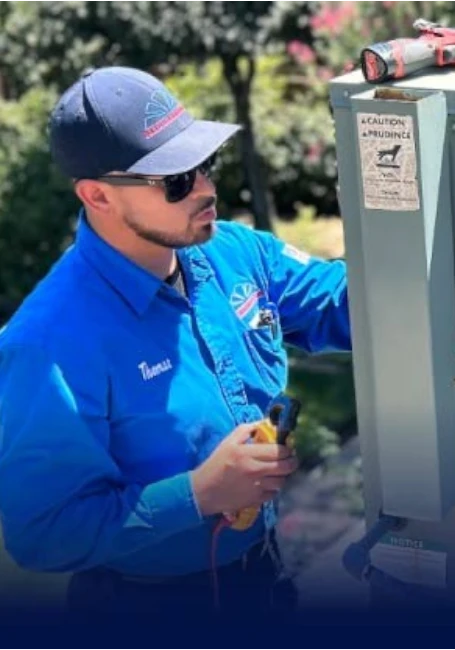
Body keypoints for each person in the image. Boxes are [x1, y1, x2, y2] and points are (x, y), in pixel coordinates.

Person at [0, 66, 351, 621]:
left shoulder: (230, 250)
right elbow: (41, 532)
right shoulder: (49, 343)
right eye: (177, 180)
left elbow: (343, 301)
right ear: (97, 195)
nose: (208, 189)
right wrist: (198, 494)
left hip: (265, 578)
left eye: (203, 164)